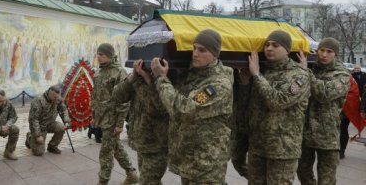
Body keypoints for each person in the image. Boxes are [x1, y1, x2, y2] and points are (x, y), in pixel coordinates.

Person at [150, 29, 234, 185]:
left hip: (207, 164)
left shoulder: (217, 85)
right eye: (194, 48)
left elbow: (183, 109)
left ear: (215, 54)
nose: (195, 53)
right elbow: (169, 101)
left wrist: (161, 79)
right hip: (189, 158)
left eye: (202, 50)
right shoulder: (192, 76)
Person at [243, 30, 310, 184]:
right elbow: (249, 106)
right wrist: (245, 82)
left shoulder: (299, 75)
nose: (269, 48)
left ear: (287, 49)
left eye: (275, 45)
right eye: (266, 45)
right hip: (258, 146)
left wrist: (257, 76)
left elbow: (278, 102)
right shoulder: (263, 71)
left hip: (283, 150)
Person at [297, 37, 350, 184]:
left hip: (327, 136)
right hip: (305, 133)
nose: (324, 54)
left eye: (329, 51)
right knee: (302, 172)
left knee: (326, 179)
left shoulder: (342, 75)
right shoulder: (311, 67)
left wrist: (305, 72)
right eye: (321, 50)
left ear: (336, 54)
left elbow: (324, 94)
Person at [114, 59, 169, 184]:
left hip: (157, 144)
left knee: (147, 181)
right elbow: (117, 96)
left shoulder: (164, 82)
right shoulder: (137, 79)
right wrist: (133, 77)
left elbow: (162, 108)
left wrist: (149, 80)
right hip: (141, 141)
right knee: (151, 181)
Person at [91, 43, 138, 185]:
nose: (98, 57)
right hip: (101, 117)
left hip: (112, 119)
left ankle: (103, 181)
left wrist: (119, 123)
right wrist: (93, 116)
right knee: (115, 147)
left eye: (102, 54)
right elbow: (95, 96)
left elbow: (124, 101)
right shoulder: (98, 72)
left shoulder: (119, 72)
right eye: (97, 54)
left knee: (106, 152)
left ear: (110, 55)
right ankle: (131, 173)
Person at [25, 85, 70, 156]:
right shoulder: (38, 101)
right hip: (39, 126)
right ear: (49, 93)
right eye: (54, 97)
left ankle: (52, 146)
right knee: (39, 152)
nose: (56, 99)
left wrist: (66, 121)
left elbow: (63, 109)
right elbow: (33, 119)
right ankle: (30, 137)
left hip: (50, 123)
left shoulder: (57, 98)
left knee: (61, 128)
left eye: (57, 97)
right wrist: (37, 135)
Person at [340, 64, 365, 158]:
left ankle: (341, 150)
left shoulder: (350, 78)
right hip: (334, 110)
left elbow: (354, 94)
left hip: (345, 111)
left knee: (342, 130)